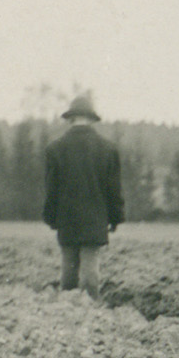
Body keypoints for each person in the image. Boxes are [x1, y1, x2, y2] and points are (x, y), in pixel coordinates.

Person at [43, 94, 125, 298]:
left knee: (68, 269)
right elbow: (114, 190)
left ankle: (67, 309)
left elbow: (51, 189)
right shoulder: (108, 150)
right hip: (95, 219)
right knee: (90, 269)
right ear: (91, 118)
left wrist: (51, 218)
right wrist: (115, 218)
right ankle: (91, 311)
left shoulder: (55, 149)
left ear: (71, 118)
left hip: (67, 218)